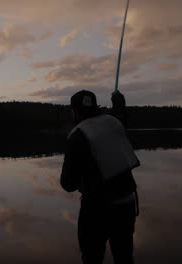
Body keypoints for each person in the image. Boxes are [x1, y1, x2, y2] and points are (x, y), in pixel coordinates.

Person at [60, 90, 140, 264]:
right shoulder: (114, 123)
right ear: (96, 107)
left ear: (75, 112)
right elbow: (120, 117)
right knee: (125, 257)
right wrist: (119, 102)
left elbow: (68, 184)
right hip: (126, 205)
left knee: (92, 258)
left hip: (96, 211)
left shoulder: (77, 135)